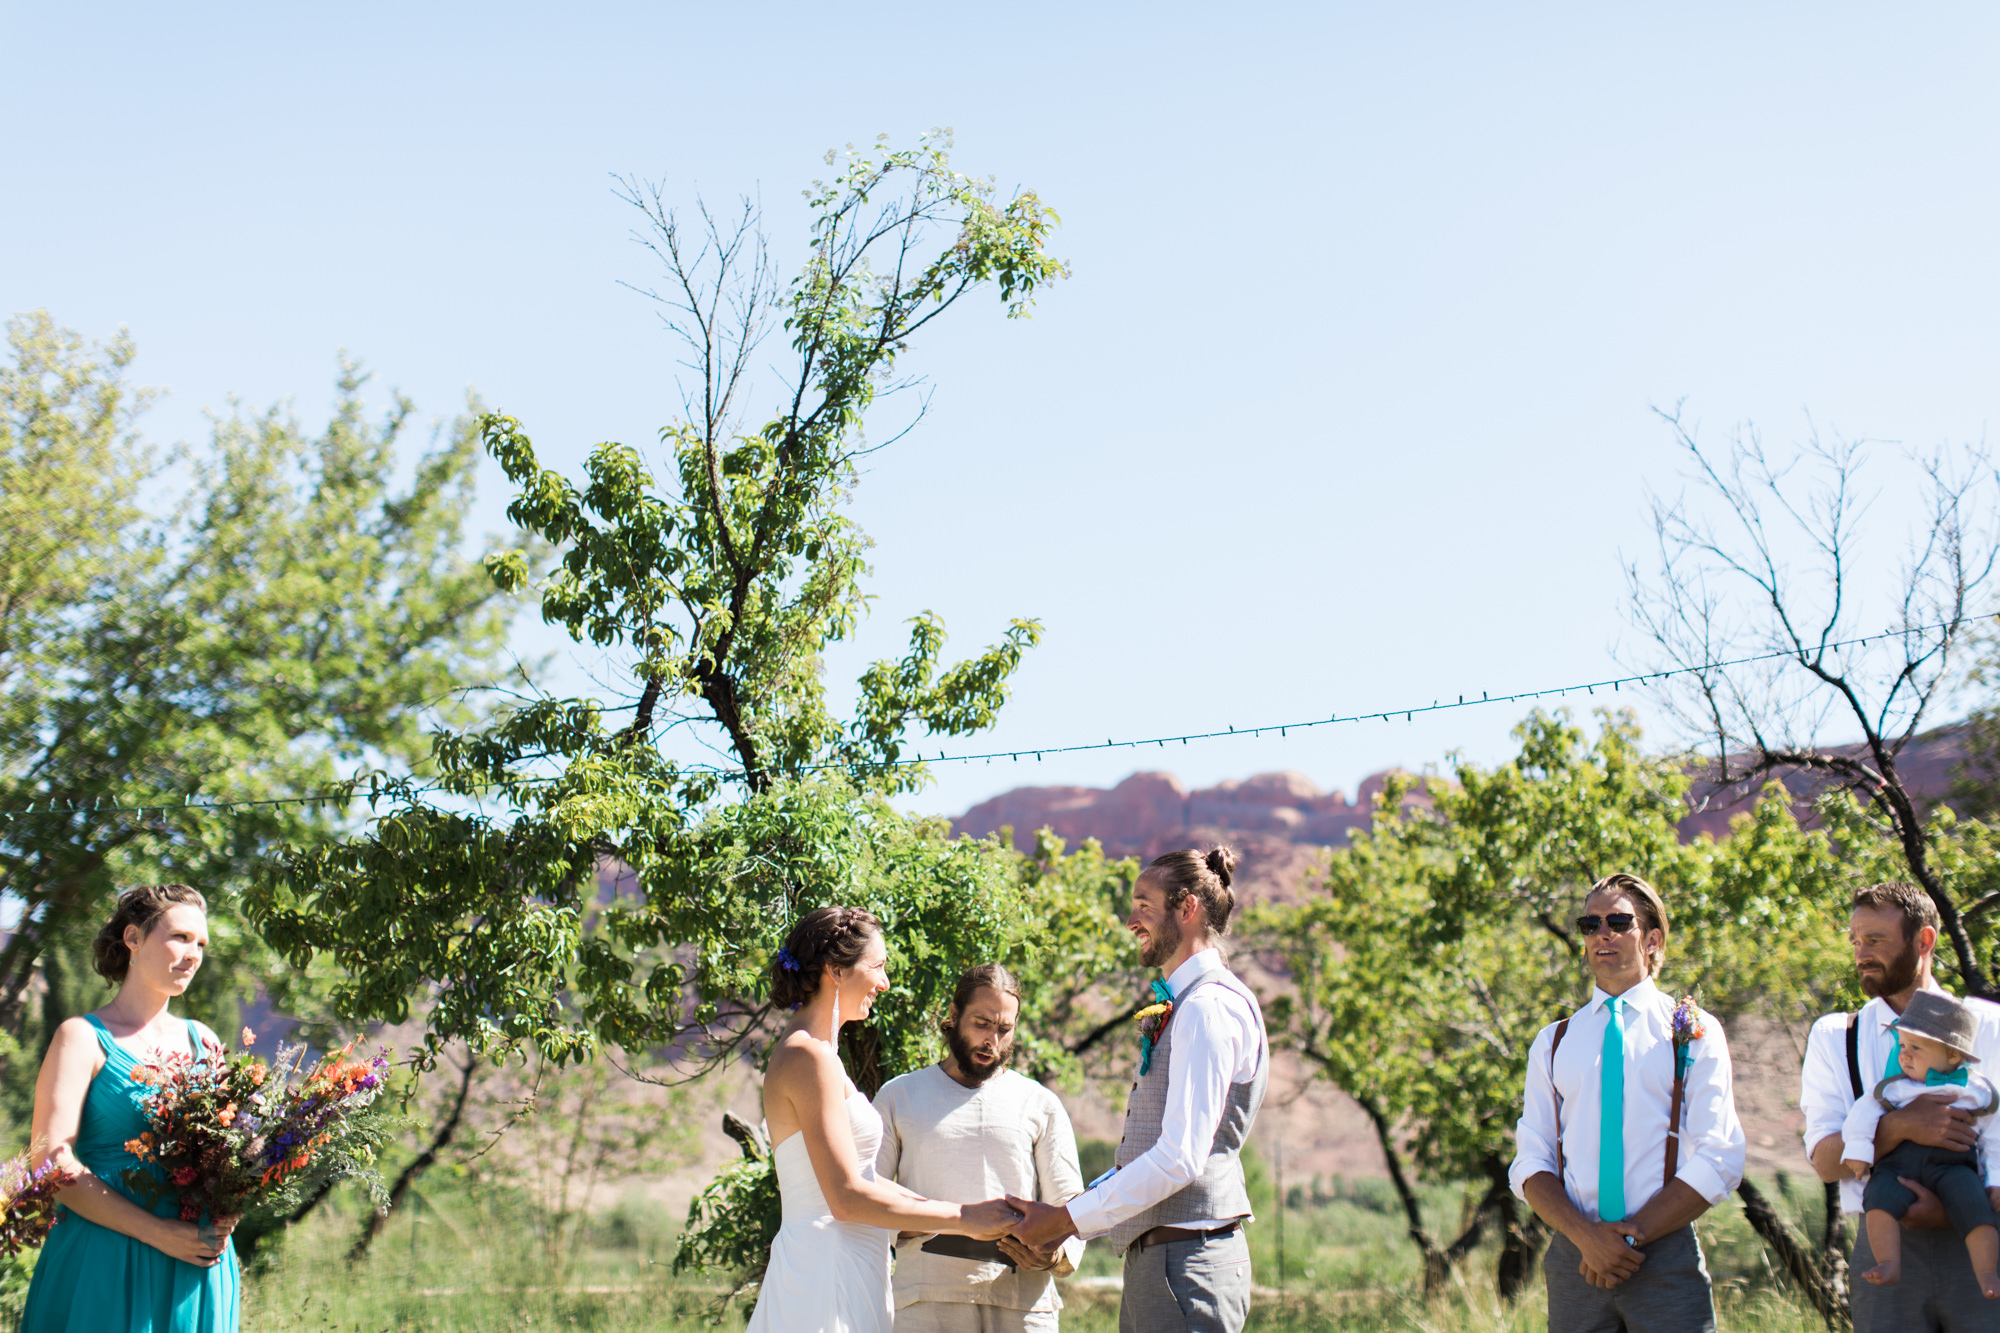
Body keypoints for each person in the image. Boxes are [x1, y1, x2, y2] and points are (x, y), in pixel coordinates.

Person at [1006, 847, 1267, 1333]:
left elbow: (1180, 1158)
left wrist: (1065, 1221)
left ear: (1186, 909)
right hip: (1169, 1262)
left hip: (1185, 1266)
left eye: (1144, 905)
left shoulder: (1207, 1007)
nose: (1131, 921)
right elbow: (1155, 1152)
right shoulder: (1193, 1002)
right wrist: (1064, 1213)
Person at [746, 907, 1023, 1333]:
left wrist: (966, 1212)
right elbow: (846, 1197)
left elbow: (864, 1178)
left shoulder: (819, 1056)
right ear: (835, 970)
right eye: (876, 966)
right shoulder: (808, 1056)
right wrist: (963, 1218)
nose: (884, 982)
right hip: (825, 1270)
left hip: (850, 1262)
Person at [1509, 872, 1746, 1333]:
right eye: (1590, 924)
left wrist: (1628, 1238)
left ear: (1652, 939)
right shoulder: (1554, 1042)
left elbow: (1720, 1155)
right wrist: (1587, 1239)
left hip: (1664, 1254)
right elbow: (1530, 1160)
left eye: (1619, 922)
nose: (1603, 934)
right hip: (1575, 1261)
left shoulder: (1694, 1032)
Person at [19, 883, 240, 1333]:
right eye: (180, 937)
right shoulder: (81, 1037)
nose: (193, 954)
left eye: (200, 944)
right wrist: (159, 1234)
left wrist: (236, 1196)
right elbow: (49, 1161)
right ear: (134, 939)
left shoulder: (206, 1041)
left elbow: (227, 1150)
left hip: (197, 1262)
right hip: (103, 1258)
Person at [1800, 881, 2000, 1332]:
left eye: (1875, 940)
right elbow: (1828, 1164)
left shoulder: (1992, 1027)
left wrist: (1953, 1207)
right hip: (1882, 1251)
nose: (1861, 953)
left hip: (1983, 1243)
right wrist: (1901, 1126)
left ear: (1924, 941)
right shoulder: (1836, 1037)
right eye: (1855, 940)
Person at [873, 963, 1087, 1332]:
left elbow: (1071, 1205)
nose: (992, 1041)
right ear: (954, 1015)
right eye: (982, 1024)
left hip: (1024, 1307)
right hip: (926, 1302)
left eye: (1005, 1029)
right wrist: (944, 1223)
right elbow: (868, 1194)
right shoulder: (899, 1095)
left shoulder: (1040, 1103)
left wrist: (1050, 1255)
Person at [1838, 989, 2000, 1295]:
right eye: (1902, 1046)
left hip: (1954, 1168)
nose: (1905, 1055)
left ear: (1953, 1055)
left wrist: (1997, 1177)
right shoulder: (1896, 1088)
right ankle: (1888, 1261)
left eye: (1916, 1047)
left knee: (1976, 1207)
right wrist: (1859, 1150)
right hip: (1899, 1168)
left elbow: (1994, 1134)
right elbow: (1863, 1114)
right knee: (1878, 1198)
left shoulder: (1976, 1090)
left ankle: (1988, 1273)